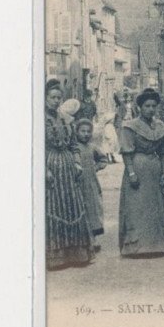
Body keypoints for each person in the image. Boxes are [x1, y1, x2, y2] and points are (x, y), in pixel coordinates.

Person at [45, 82, 95, 270]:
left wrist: (76, 162)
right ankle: (56, 256)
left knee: (73, 206)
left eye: (59, 97)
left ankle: (76, 254)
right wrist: (45, 170)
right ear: (45, 98)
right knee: (55, 207)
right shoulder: (39, 119)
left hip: (68, 168)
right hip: (50, 165)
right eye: (52, 97)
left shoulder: (65, 119)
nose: (56, 101)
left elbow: (73, 144)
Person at [117, 88, 164, 258]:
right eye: (147, 106)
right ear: (140, 107)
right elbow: (127, 152)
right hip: (138, 168)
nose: (150, 109)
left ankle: (158, 245)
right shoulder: (130, 126)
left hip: (154, 169)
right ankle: (137, 247)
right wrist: (132, 173)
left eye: (153, 106)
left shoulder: (161, 126)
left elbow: (163, 152)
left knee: (155, 206)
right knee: (137, 207)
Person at [74, 117, 107, 252]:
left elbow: (103, 159)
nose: (86, 134)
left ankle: (94, 240)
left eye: (88, 131)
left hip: (91, 183)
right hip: (77, 184)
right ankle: (82, 241)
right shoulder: (74, 148)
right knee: (81, 210)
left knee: (93, 211)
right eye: (83, 131)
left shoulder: (93, 147)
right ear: (76, 132)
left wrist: (97, 167)